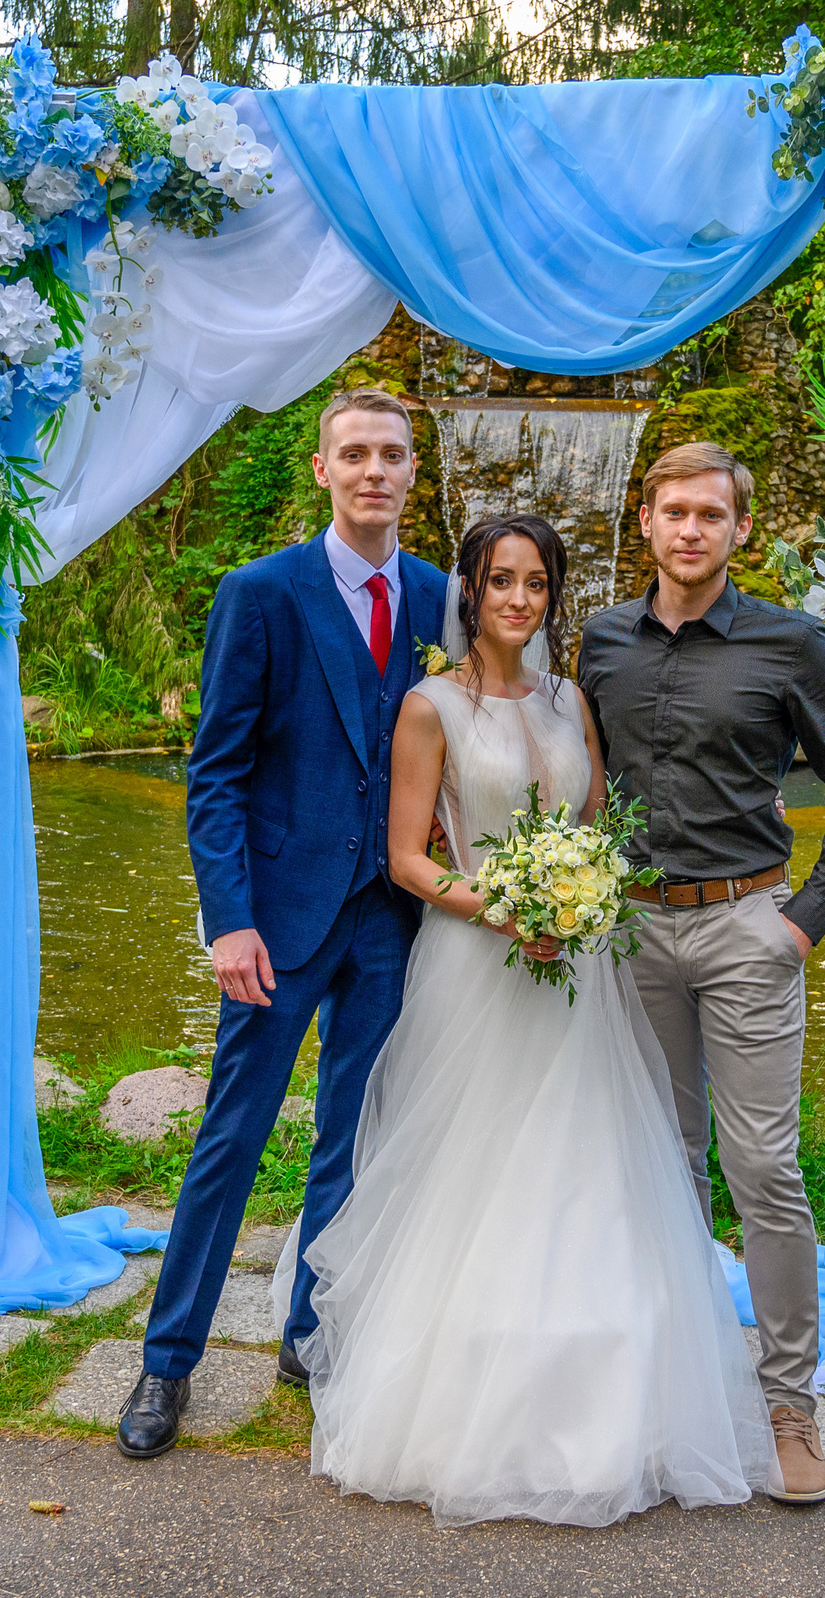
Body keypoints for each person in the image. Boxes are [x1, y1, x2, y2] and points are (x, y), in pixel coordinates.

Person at [293, 512, 776, 1527]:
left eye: (536, 584)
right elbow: (409, 859)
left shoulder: (571, 700)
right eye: (500, 581)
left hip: (579, 966)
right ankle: (456, 1394)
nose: (518, 600)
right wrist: (507, 907)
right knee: (477, 1170)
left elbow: (594, 825)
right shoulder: (429, 706)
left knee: (590, 1164)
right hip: (479, 964)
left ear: (553, 597)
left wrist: (582, 896)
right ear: (469, 590)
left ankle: (614, 1393)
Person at [114, 387, 448, 1460]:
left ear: (411, 472)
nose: (373, 473)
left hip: (389, 921)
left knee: (352, 1140)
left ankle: (310, 1326)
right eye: (353, 454)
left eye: (391, 455)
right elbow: (214, 773)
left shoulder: (441, 597)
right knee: (231, 1142)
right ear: (322, 471)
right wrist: (228, 923)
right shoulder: (259, 594)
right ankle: (167, 1366)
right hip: (279, 922)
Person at [575, 441, 825, 1507]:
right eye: (673, 512)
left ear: (738, 530)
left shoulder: (790, 644)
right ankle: (671, 1389)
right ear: (647, 521)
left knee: (763, 1172)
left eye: (710, 515)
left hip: (746, 929)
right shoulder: (602, 641)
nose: (690, 530)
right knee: (663, 1165)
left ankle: (788, 1405)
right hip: (629, 934)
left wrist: (800, 923)